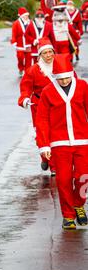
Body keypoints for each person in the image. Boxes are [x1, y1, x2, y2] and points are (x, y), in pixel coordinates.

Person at [36, 53, 88, 230]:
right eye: (61, 79)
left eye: (67, 78)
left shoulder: (82, 86)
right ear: (55, 77)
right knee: (63, 180)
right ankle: (68, 215)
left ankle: (79, 204)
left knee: (83, 176)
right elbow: (41, 120)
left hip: (82, 140)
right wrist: (44, 145)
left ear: (71, 74)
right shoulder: (47, 92)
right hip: (59, 143)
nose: (64, 81)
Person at [18, 38, 56, 174]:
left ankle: (54, 164)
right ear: (40, 55)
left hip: (58, 106)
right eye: (44, 53)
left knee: (56, 134)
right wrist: (25, 98)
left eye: (50, 52)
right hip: (39, 106)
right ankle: (46, 158)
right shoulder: (33, 70)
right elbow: (25, 87)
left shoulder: (61, 66)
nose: (48, 55)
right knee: (42, 133)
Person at [11, 7, 32, 76]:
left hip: (28, 43)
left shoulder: (30, 22)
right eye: (25, 15)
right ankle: (21, 68)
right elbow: (14, 33)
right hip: (20, 44)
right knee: (20, 58)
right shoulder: (16, 23)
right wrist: (14, 42)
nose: (27, 17)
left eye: (27, 15)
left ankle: (27, 71)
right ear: (22, 16)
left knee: (28, 59)